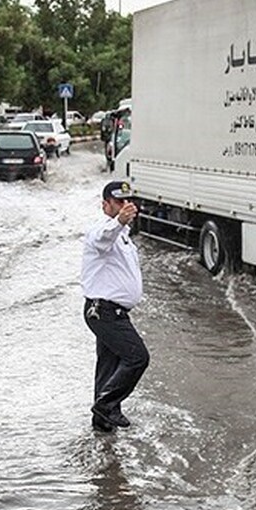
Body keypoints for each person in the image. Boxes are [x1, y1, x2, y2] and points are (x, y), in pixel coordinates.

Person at [81, 180, 149, 432]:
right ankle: (106, 406)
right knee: (137, 357)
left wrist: (121, 225)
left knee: (108, 366)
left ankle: (102, 424)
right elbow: (102, 238)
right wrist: (119, 221)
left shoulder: (124, 237)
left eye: (129, 201)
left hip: (114, 312)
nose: (126, 206)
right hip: (103, 311)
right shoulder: (100, 230)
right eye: (119, 201)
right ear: (105, 205)